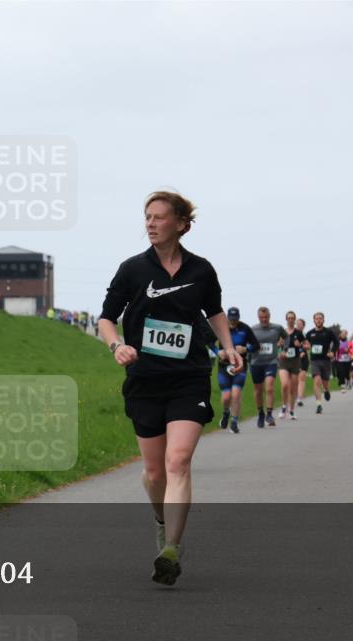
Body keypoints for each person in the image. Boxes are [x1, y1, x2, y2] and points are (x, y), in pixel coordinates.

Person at [98, 190, 242, 587]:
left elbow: (213, 313)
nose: (151, 223)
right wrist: (118, 346)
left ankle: (172, 550)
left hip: (189, 376)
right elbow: (106, 319)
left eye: (160, 217)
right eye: (147, 216)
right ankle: (162, 520)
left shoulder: (202, 270)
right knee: (153, 472)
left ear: (182, 225)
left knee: (178, 461)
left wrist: (228, 348)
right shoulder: (131, 269)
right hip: (144, 380)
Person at [216, 307, 259, 433]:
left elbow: (256, 345)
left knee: (236, 394)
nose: (233, 321)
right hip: (224, 366)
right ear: (227, 317)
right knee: (226, 397)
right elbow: (208, 341)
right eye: (231, 319)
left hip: (240, 366)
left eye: (235, 319)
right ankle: (225, 413)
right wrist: (218, 352)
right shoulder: (221, 328)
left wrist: (246, 349)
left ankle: (234, 421)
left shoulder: (245, 328)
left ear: (238, 317)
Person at [249, 306, 286, 427]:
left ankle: (269, 414)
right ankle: (260, 413)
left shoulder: (277, 328)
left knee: (269, 387)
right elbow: (246, 343)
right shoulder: (253, 329)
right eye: (261, 317)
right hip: (256, 363)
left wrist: (284, 350)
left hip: (271, 362)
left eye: (266, 317)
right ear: (258, 317)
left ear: (269, 316)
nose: (264, 319)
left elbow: (287, 337)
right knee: (258, 390)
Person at [304, 312, 336, 415]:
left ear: (323, 320)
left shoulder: (328, 332)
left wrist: (332, 352)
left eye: (320, 318)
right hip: (314, 361)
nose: (318, 320)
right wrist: (304, 348)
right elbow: (304, 344)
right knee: (317, 381)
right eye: (316, 319)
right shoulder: (309, 333)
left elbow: (336, 342)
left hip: (326, 360)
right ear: (314, 321)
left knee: (325, 382)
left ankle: (326, 390)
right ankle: (318, 405)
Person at [277, 310, 304, 420]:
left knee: (293, 387)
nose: (291, 320)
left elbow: (308, 345)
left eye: (293, 318)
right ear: (286, 319)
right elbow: (275, 345)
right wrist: (279, 346)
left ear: (295, 319)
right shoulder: (281, 332)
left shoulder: (298, 333)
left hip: (295, 361)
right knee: (284, 385)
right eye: (289, 318)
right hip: (284, 361)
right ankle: (284, 407)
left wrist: (300, 344)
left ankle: (292, 410)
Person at [295, 318, 308, 407]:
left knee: (302, 378)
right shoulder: (292, 334)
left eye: (300, 324)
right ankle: (294, 396)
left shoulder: (306, 336)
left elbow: (308, 345)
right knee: (294, 379)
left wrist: (303, 350)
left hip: (303, 358)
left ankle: (299, 398)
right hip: (294, 358)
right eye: (297, 324)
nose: (298, 325)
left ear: (303, 326)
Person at [334, 328, 352, 393]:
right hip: (339, 360)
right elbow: (335, 350)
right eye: (342, 334)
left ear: (346, 335)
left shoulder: (349, 342)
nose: (343, 335)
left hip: (348, 360)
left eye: (345, 334)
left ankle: (348, 380)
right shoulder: (337, 342)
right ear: (340, 335)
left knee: (346, 373)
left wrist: (349, 350)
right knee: (341, 373)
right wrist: (334, 357)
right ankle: (343, 386)